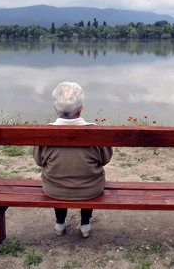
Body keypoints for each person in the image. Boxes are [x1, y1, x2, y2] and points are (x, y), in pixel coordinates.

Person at [33, 81, 113, 238]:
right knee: (88, 176)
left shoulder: (45, 132)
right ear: (81, 108)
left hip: (54, 189)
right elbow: (105, 158)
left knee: (58, 176)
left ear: (55, 109)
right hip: (91, 189)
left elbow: (39, 161)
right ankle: (85, 224)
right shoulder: (96, 131)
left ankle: (60, 223)